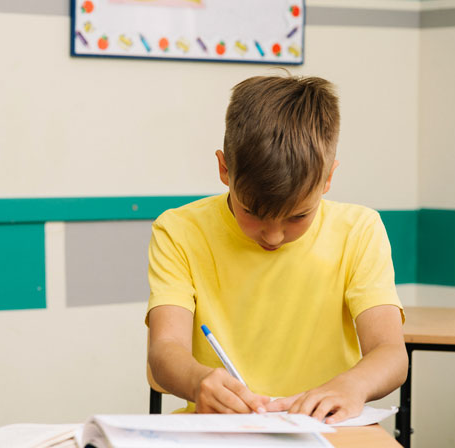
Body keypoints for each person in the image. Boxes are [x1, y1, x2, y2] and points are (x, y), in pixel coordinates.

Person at [146, 74, 408, 423]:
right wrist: (198, 382)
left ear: (328, 178)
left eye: (298, 216)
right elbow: (165, 350)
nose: (273, 237)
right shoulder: (179, 231)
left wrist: (352, 386)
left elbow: (390, 352)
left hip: (326, 431)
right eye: (252, 213)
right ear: (225, 169)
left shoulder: (359, 230)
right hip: (215, 431)